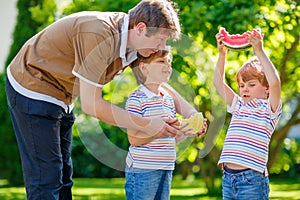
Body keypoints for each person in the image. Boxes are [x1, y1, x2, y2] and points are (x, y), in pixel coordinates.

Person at [5, 1, 197, 199]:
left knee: (63, 178)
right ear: (140, 28)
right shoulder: (99, 35)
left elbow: (154, 82)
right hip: (32, 84)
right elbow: (91, 105)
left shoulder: (135, 47)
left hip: (63, 96)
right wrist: (149, 124)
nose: (162, 47)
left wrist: (191, 113)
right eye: (161, 39)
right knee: (46, 179)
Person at [124, 47, 206, 200]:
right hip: (143, 170)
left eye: (169, 62)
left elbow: (170, 138)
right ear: (144, 68)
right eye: (161, 61)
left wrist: (187, 130)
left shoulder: (168, 100)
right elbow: (134, 139)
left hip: (166, 167)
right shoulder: (137, 99)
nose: (168, 65)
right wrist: (159, 130)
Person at [214, 28, 282, 200]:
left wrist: (259, 51)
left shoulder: (269, 109)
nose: (245, 89)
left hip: (252, 181)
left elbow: (275, 83)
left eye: (251, 85)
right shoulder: (238, 105)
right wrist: (222, 54)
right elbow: (217, 82)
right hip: (228, 179)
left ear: (266, 89)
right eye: (242, 85)